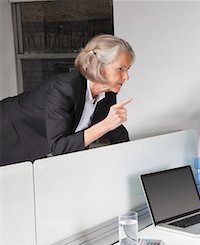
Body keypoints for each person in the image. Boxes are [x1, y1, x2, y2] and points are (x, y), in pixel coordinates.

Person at [0, 34, 134, 166]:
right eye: (120, 69)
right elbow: (59, 147)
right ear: (99, 66)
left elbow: (116, 132)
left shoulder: (107, 92)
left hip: (38, 146)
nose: (126, 77)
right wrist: (106, 124)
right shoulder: (63, 89)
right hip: (7, 133)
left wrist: (133, 159)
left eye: (127, 69)